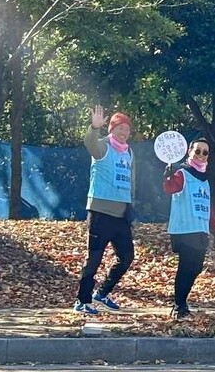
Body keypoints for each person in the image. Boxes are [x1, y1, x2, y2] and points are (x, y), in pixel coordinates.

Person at [74, 106, 136, 315]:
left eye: (127, 129)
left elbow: (131, 181)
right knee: (94, 258)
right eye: (120, 128)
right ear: (112, 129)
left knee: (127, 257)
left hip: (121, 215)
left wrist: (130, 205)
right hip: (100, 212)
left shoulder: (129, 152)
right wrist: (94, 127)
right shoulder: (102, 147)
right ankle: (82, 301)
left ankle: (101, 293)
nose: (124, 132)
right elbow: (89, 142)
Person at [163, 138, 215, 319]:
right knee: (186, 266)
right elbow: (170, 188)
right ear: (190, 152)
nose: (201, 155)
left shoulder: (205, 179)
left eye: (205, 152)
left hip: (200, 229)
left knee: (196, 267)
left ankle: (182, 302)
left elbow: (208, 205)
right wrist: (167, 177)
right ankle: (178, 305)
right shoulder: (182, 173)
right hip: (184, 229)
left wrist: (214, 228)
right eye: (197, 151)